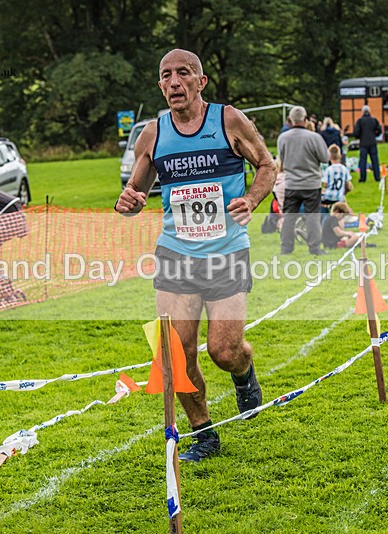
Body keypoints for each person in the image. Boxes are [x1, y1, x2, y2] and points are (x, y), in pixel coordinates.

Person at [113, 49, 276, 462]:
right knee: (174, 352)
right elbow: (136, 188)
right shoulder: (152, 134)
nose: (174, 82)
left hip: (225, 252)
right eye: (165, 75)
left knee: (223, 350)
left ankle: (243, 371)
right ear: (160, 86)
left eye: (183, 73)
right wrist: (129, 201)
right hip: (176, 254)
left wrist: (252, 200)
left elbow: (267, 166)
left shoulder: (228, 120)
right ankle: (204, 434)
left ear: (201, 82)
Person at [277, 105, 329, 255]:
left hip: (292, 182)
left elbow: (282, 158)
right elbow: (324, 158)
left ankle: (286, 248)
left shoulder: (283, 138)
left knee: (289, 217)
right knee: (312, 216)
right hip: (311, 183)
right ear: (305, 119)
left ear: (290, 120)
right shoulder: (314, 137)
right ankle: (314, 248)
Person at [321, 144, 353, 219]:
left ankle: (324, 216)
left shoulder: (328, 170)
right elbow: (348, 184)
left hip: (328, 197)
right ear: (340, 156)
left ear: (329, 157)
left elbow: (325, 185)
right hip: (339, 197)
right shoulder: (344, 169)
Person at [353, 105, 382, 182]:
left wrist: (359, 137)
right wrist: (374, 135)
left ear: (362, 112)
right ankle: (377, 177)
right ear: (369, 111)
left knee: (363, 161)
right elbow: (379, 130)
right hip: (372, 142)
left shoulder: (360, 121)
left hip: (363, 143)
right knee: (375, 160)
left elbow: (356, 132)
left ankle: (363, 178)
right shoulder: (374, 120)